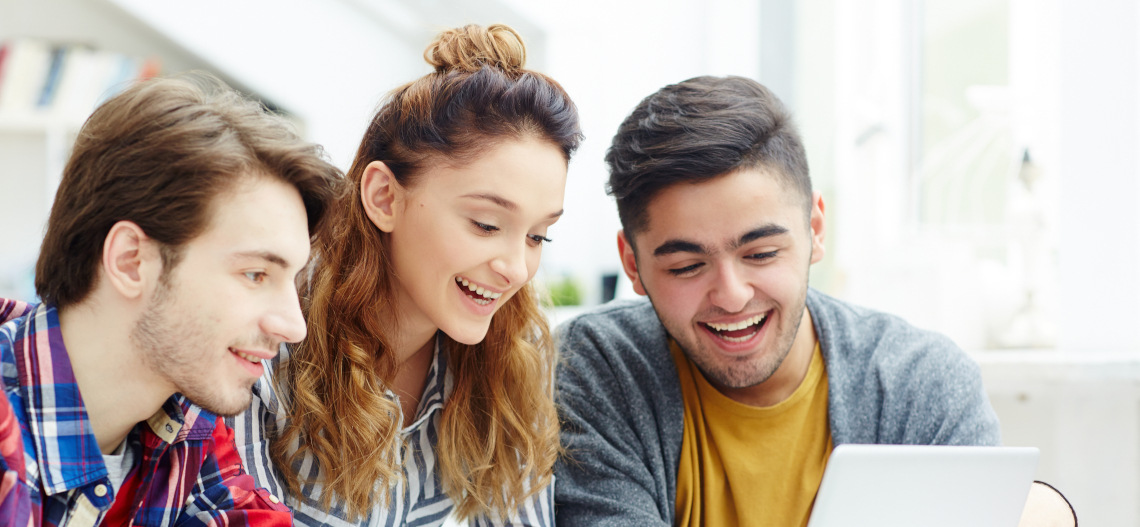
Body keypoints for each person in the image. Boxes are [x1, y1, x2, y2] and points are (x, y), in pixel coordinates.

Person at [553, 76, 1077, 527]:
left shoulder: (919, 383)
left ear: (815, 230)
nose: (732, 296)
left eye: (760, 253)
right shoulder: (598, 368)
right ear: (633, 264)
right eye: (687, 266)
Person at [227, 24, 580, 526]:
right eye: (485, 224)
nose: (516, 269)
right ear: (384, 197)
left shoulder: (518, 358)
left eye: (537, 237)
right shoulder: (267, 341)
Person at [0, 75, 341, 526]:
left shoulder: (184, 429)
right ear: (130, 261)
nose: (294, 326)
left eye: (291, 280)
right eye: (256, 273)